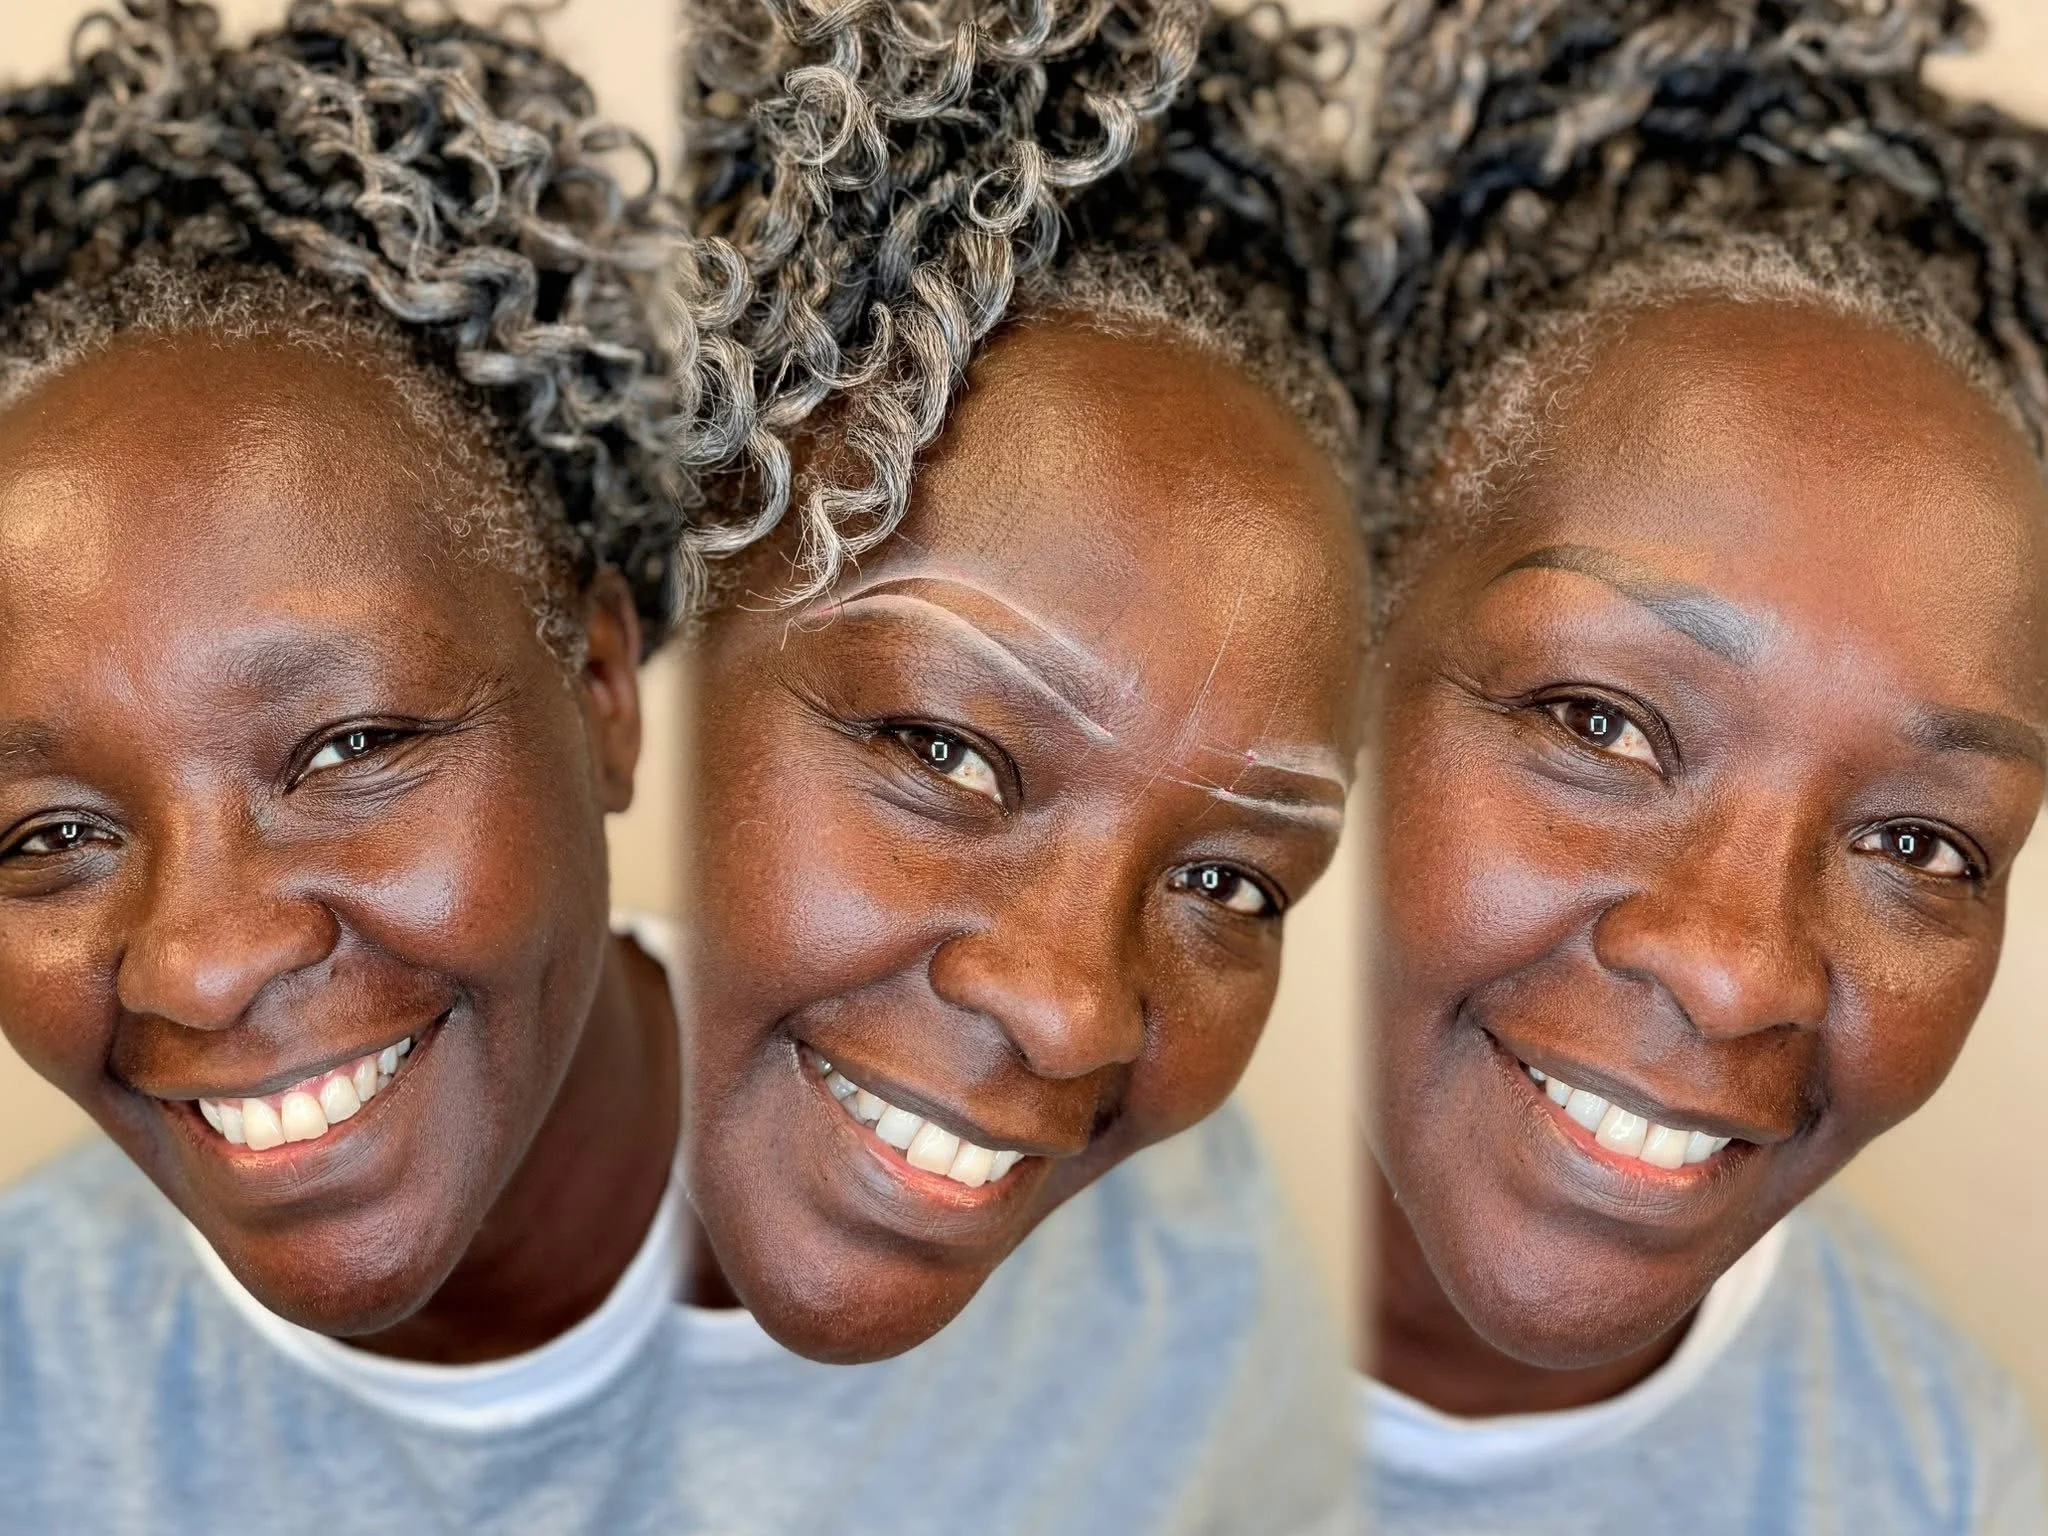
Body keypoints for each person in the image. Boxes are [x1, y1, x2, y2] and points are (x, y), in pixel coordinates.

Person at [0, 1, 1366, 1528]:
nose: (198, 966)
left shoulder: (1185, 1279)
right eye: (45, 835)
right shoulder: (36, 1415)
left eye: (351, 746)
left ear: (598, 689)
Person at [1345, 0, 2048, 1528]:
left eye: (1922, 845)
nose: (1739, 971)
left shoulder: (1937, 1486)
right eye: (1601, 723)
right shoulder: (848, 1230)